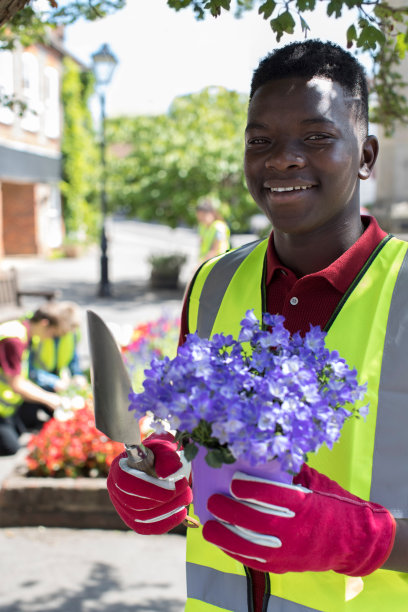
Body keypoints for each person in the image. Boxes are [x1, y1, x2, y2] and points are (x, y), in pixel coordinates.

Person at [107, 40, 408, 610]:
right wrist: (162, 466)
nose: (282, 158)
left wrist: (365, 541)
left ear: (366, 156)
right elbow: (190, 435)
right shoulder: (213, 282)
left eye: (317, 137)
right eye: (260, 141)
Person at [0, 301, 80, 456]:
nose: (50, 338)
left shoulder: (25, 332)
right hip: (3, 406)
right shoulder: (14, 340)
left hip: (7, 406)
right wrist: (48, 398)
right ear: (44, 324)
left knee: (20, 433)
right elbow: (16, 383)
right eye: (52, 333)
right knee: (11, 449)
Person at [28, 300, 86, 392]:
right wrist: (53, 381)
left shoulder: (71, 334)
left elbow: (73, 357)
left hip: (58, 382)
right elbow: (29, 368)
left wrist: (77, 374)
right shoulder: (39, 333)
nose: (68, 332)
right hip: (37, 385)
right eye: (65, 329)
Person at [196, 195, 231, 264]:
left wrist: (200, 263)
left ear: (211, 214)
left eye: (203, 216)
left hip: (219, 263)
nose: (201, 219)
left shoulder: (219, 227)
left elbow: (214, 250)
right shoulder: (202, 227)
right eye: (199, 217)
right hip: (207, 262)